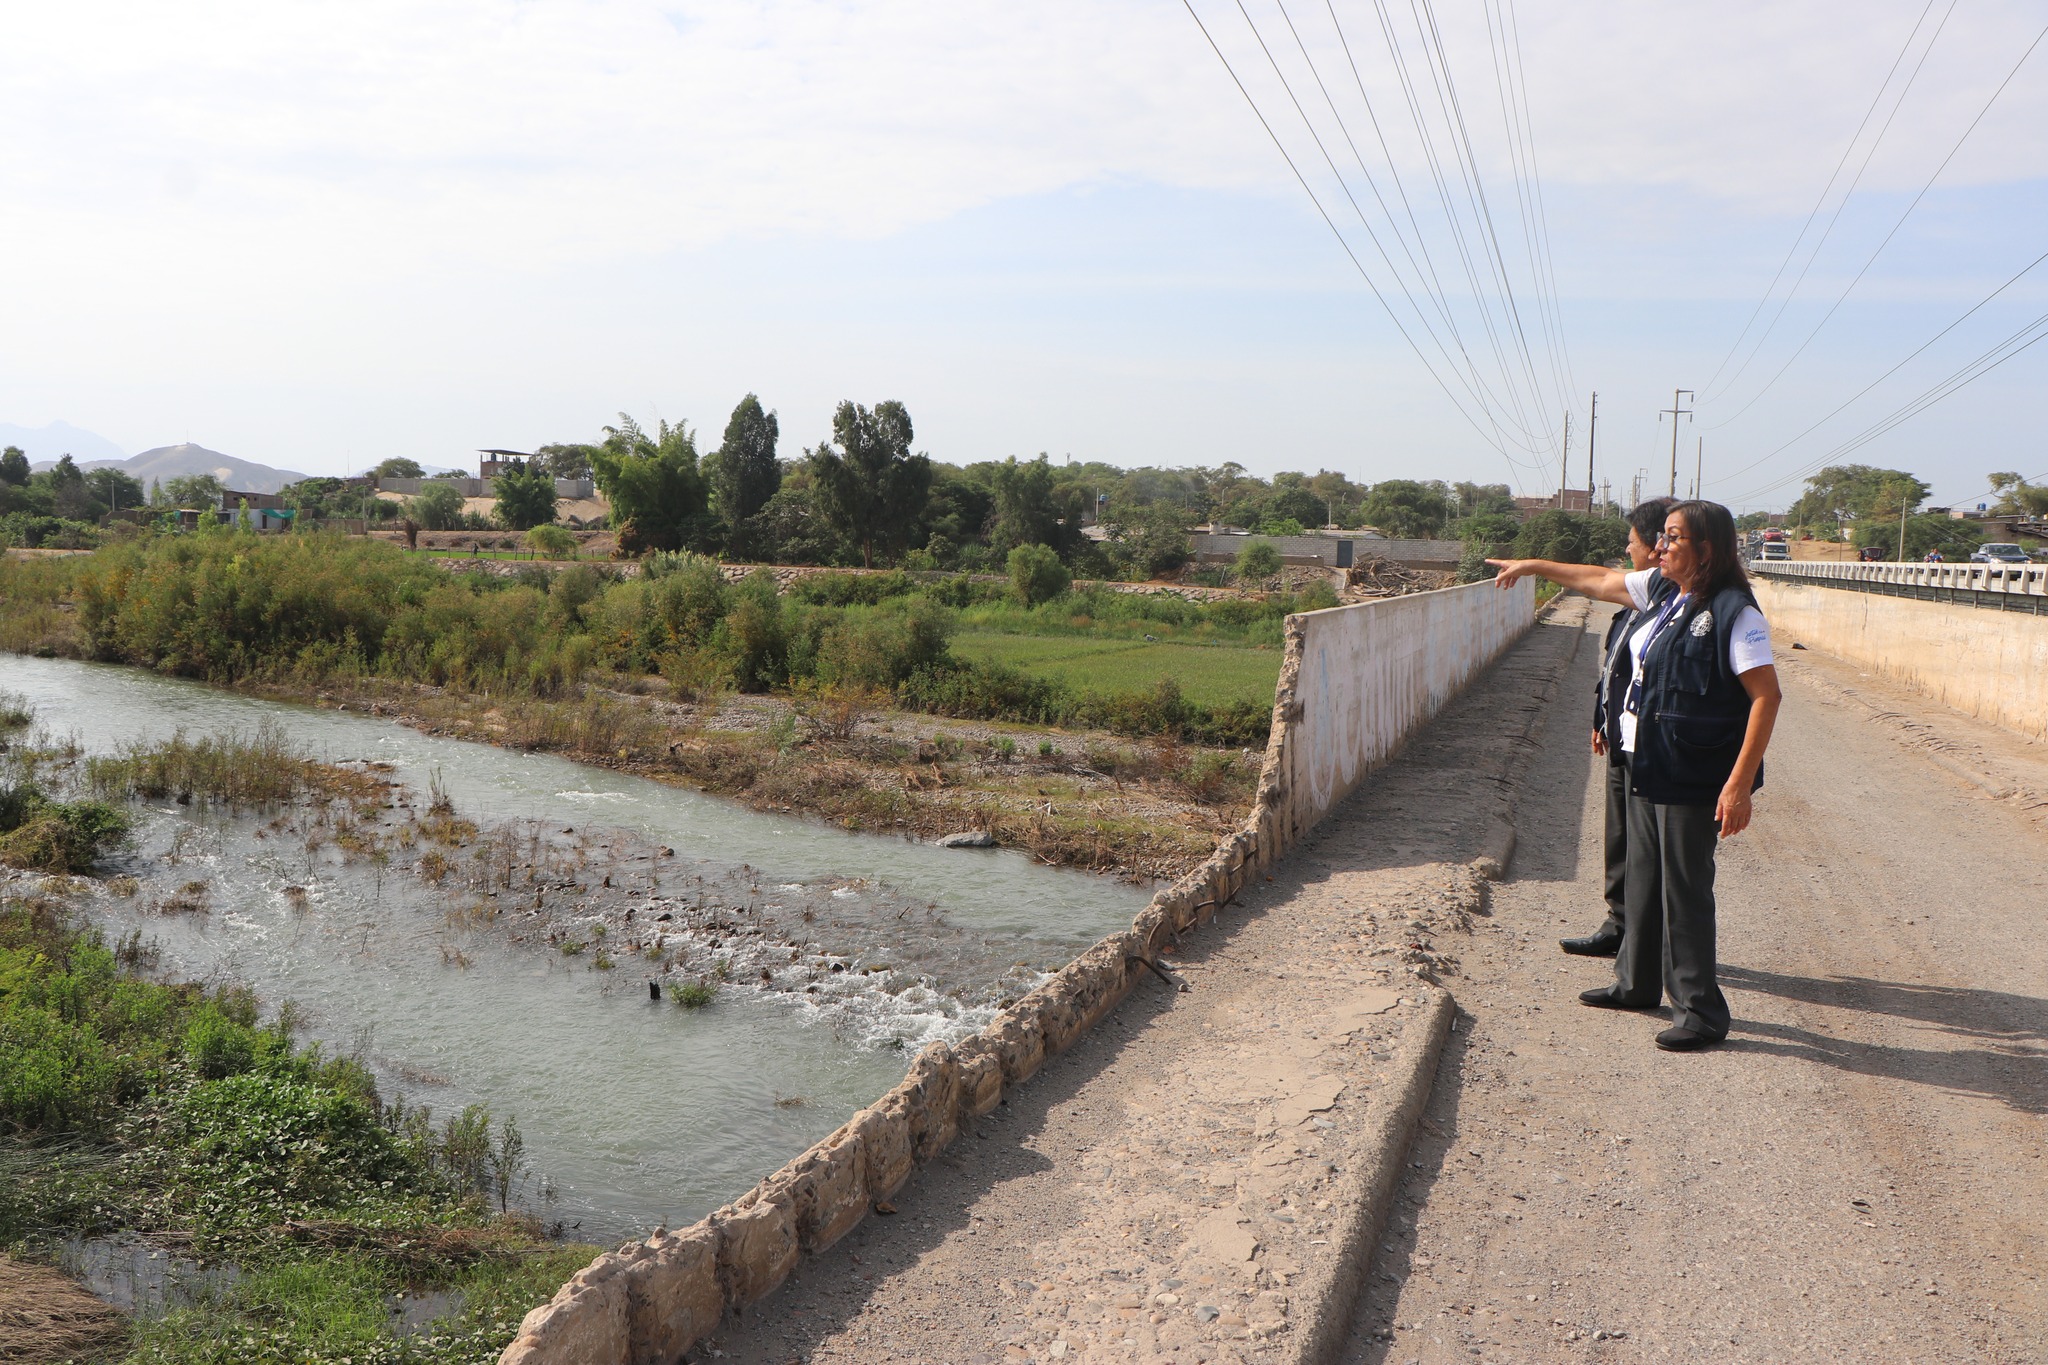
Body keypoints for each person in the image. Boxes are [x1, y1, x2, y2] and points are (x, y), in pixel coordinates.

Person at [1488, 500, 1782, 1052]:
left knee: (1685, 891)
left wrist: (1738, 784)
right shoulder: (1668, 594)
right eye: (1662, 538)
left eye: (1673, 538)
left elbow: (1766, 697)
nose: (1661, 546)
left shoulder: (1733, 613)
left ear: (1707, 550)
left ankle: (1699, 1011)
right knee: (1644, 881)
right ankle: (1636, 984)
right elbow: (1598, 580)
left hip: (1691, 773)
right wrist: (1532, 565)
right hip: (1649, 762)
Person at [1562, 496, 1677, 958]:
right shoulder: (1634, 607)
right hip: (1620, 735)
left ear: (1654, 548)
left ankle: (1649, 937)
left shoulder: (1666, 602)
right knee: (1618, 838)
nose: (1627, 551)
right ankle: (1620, 924)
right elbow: (1615, 670)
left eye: (1631, 543)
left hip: (1650, 745)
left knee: (1648, 845)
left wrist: (1532, 565)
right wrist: (1601, 720)